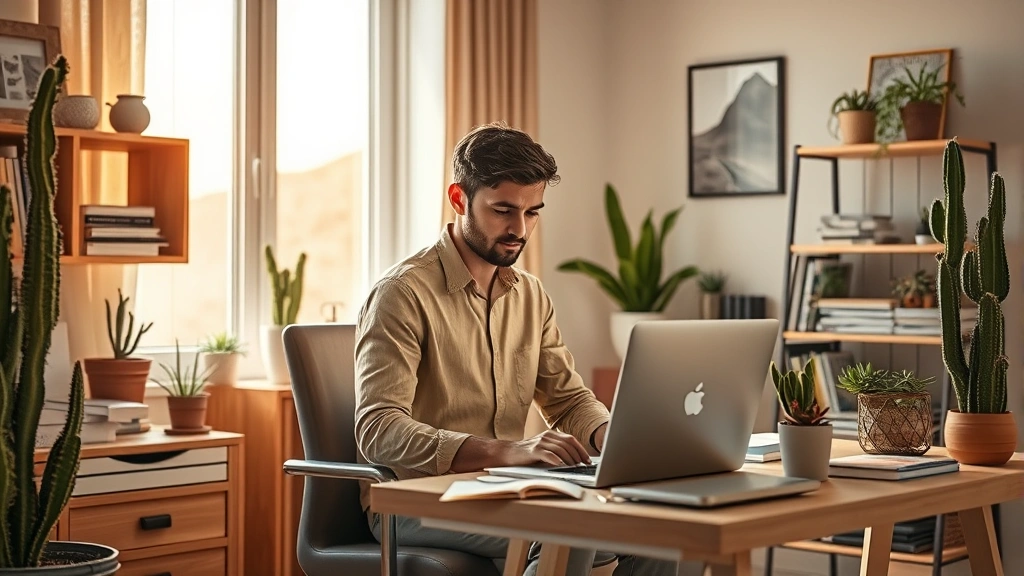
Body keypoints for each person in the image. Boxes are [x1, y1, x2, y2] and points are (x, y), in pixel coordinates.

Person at [354, 122, 687, 576]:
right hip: (416, 499)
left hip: (505, 489)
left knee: (661, 526)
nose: (519, 229)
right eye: (503, 210)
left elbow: (567, 400)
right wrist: (503, 452)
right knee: (574, 533)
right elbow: (378, 429)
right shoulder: (402, 293)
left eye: (532, 213)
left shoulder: (531, 295)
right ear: (458, 199)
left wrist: (614, 437)